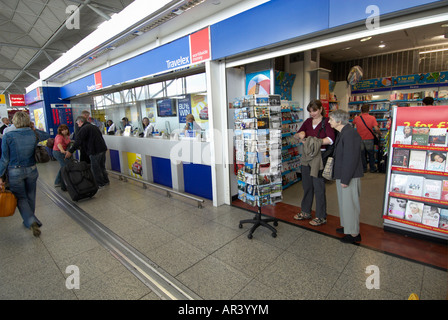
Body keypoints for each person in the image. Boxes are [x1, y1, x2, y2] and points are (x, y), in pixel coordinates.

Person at [0, 111, 50, 237]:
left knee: (21, 197)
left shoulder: (8, 136)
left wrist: (0, 175)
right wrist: (33, 128)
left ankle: (30, 220)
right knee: (31, 195)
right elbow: (47, 135)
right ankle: (29, 219)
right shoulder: (33, 133)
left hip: (15, 171)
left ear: (14, 122)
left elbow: (4, 159)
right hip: (32, 169)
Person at [293, 100, 335, 226]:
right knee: (307, 186)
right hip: (307, 157)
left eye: (314, 111)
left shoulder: (327, 122)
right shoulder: (307, 122)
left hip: (319, 156)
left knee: (318, 187)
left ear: (321, 109)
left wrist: (313, 142)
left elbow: (331, 139)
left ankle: (321, 216)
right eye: (310, 111)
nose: (312, 114)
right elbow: (300, 133)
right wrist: (301, 135)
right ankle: (305, 211)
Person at [328, 109, 364, 243]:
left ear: (339, 121)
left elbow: (351, 158)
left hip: (349, 176)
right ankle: (347, 227)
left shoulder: (350, 134)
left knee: (350, 205)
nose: (329, 121)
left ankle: (354, 234)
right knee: (344, 204)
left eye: (331, 119)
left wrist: (345, 179)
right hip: (343, 174)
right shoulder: (344, 132)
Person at [65, 116, 109, 188]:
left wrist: (70, 151)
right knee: (102, 167)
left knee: (95, 168)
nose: (77, 125)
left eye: (77, 123)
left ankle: (100, 183)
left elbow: (78, 141)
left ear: (80, 122)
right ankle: (106, 181)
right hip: (102, 149)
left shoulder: (84, 129)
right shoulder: (93, 126)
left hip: (94, 151)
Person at [352, 104, 381, 173]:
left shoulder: (357, 118)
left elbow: (353, 125)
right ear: (368, 110)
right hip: (369, 138)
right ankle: (372, 168)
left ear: (361, 110)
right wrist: (379, 133)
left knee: (362, 154)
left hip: (360, 138)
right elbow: (376, 128)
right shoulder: (372, 118)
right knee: (371, 154)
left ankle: (364, 168)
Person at [52, 124, 71, 190]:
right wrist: (62, 150)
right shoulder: (59, 136)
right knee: (64, 166)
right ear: (60, 131)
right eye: (63, 130)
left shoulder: (67, 136)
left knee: (64, 166)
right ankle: (58, 182)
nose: (65, 131)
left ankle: (58, 181)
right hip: (58, 152)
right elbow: (58, 144)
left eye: (66, 129)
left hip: (64, 152)